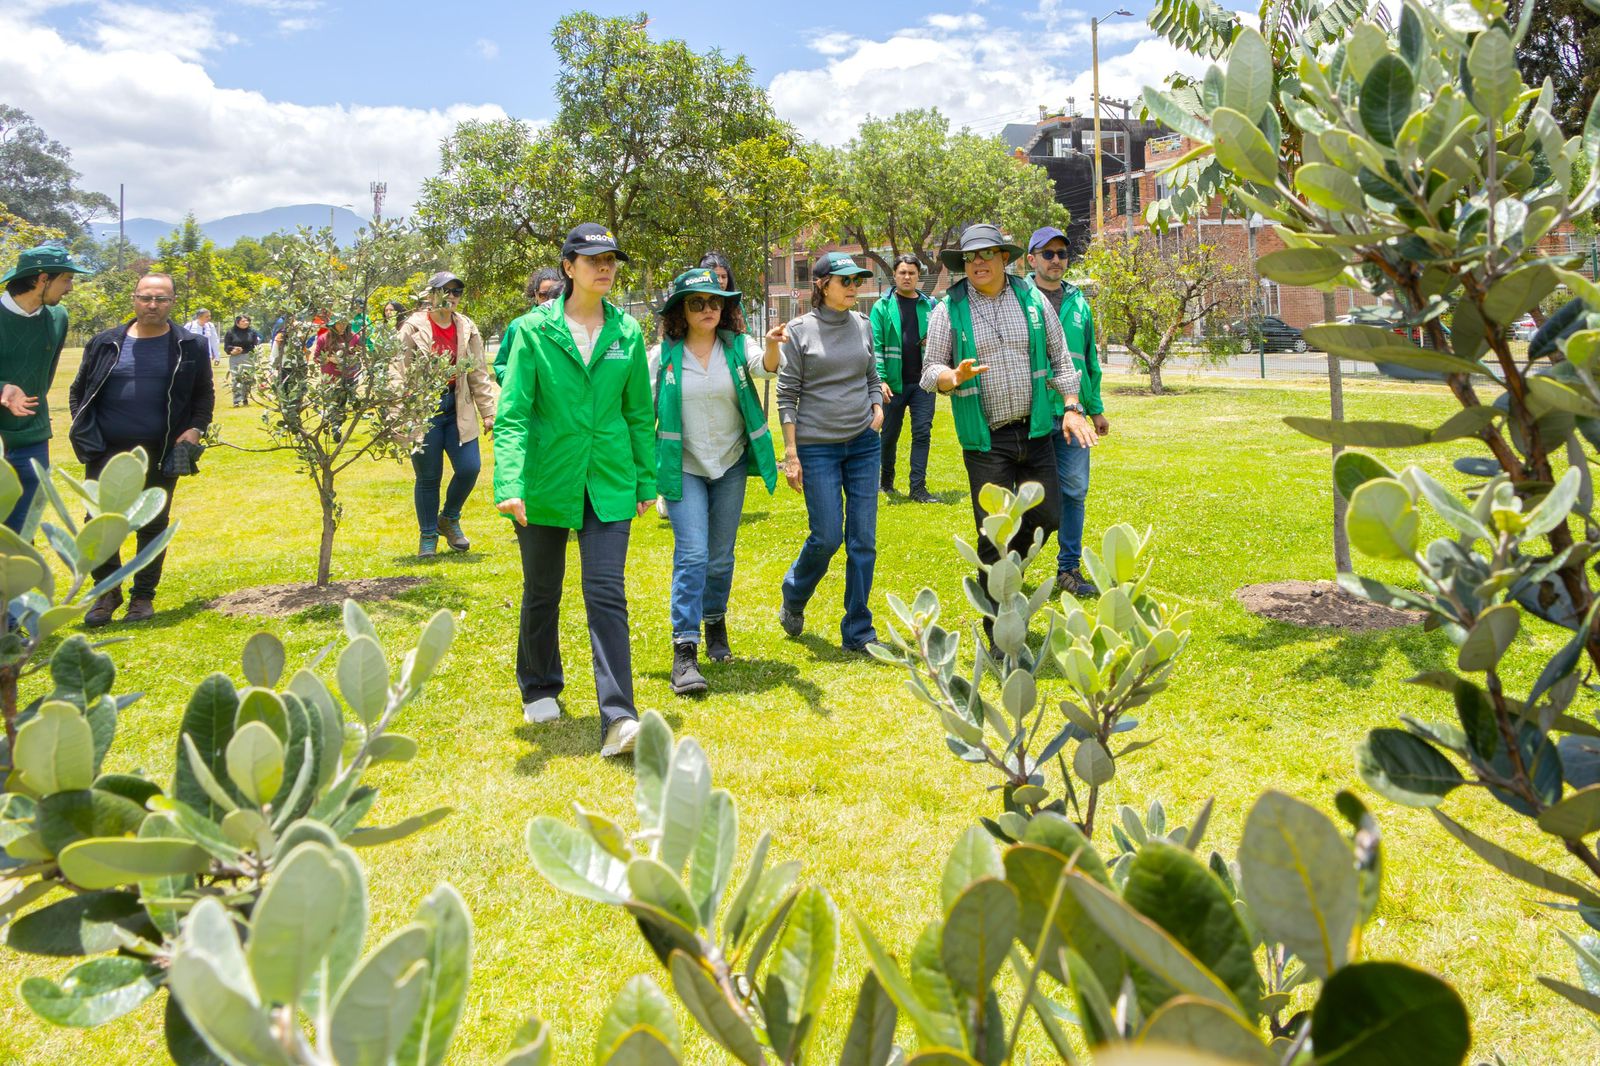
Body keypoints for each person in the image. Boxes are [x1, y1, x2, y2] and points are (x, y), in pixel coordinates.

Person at [495, 224, 655, 758]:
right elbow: (513, 414)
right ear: (568, 268)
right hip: (546, 478)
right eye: (592, 260)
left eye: (610, 259)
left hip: (608, 477)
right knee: (543, 588)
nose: (604, 267)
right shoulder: (530, 331)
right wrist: (509, 482)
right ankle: (540, 685)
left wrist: (646, 479)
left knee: (606, 591)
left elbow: (638, 413)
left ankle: (619, 718)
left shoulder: (629, 333)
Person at [920, 224, 1097, 611]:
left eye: (985, 254)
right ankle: (998, 627)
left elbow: (1061, 357)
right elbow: (930, 370)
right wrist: (952, 377)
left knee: (1049, 514)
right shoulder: (948, 309)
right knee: (992, 535)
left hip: (1034, 432)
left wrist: (1071, 405)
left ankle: (1007, 570)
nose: (977, 262)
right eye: (970, 257)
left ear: (1005, 258)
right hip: (986, 441)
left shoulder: (1031, 299)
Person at [649, 266, 783, 695]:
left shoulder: (737, 345)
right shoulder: (662, 356)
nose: (708, 309)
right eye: (697, 302)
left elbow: (763, 367)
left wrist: (773, 348)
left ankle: (715, 623)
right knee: (692, 555)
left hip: (730, 464)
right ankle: (684, 650)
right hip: (684, 466)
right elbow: (637, 406)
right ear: (680, 311)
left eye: (715, 301)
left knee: (721, 558)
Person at [70, 273, 214, 624]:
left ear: (173, 302)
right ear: (134, 299)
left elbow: (203, 394)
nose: (153, 305)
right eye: (146, 298)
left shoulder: (189, 345)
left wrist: (195, 429)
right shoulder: (105, 342)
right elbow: (79, 392)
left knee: (153, 522)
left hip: (163, 449)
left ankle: (142, 597)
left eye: (161, 299)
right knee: (100, 522)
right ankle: (106, 592)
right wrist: (86, 432)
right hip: (107, 451)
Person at [776, 252, 885, 654]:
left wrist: (877, 406)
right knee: (826, 536)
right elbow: (786, 395)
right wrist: (792, 453)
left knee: (863, 540)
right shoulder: (799, 331)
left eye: (857, 279)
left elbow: (872, 375)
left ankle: (858, 629)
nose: (854, 286)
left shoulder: (863, 324)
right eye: (845, 280)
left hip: (862, 444)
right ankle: (794, 593)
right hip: (817, 447)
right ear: (822, 284)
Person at [1027, 227, 1109, 596]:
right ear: (1031, 260)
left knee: (1075, 490)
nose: (1056, 260)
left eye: (1061, 253)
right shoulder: (1018, 299)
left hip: (1072, 414)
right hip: (1030, 414)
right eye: (1048, 254)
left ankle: (1068, 570)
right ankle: (1013, 565)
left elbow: (1089, 360)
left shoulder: (1079, 303)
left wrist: (1097, 409)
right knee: (1029, 494)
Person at [396, 273, 497, 557]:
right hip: (424, 407)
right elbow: (396, 369)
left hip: (457, 406)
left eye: (457, 292)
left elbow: (477, 371)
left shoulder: (466, 326)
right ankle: (428, 535)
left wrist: (488, 412)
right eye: (445, 291)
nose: (451, 296)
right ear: (431, 294)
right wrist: (398, 412)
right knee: (428, 476)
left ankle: (449, 518)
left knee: (469, 468)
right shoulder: (412, 326)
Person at [0, 245, 92, 533]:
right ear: (42, 279)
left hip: (34, 440)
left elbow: (45, 374)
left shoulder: (58, 318)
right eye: (66, 279)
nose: (71, 288)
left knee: (23, 535)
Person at [871, 254, 937, 503]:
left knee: (922, 433)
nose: (907, 277)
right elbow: (876, 346)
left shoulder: (930, 305)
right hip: (893, 385)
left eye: (912, 272)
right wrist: (881, 379)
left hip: (923, 383)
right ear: (895, 276)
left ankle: (918, 488)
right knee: (888, 435)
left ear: (919, 276)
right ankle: (886, 482)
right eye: (902, 272)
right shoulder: (882, 306)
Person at [495, 268, 563, 384]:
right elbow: (502, 365)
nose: (549, 300)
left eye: (555, 295)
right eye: (543, 295)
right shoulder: (518, 325)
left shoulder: (571, 325)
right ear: (536, 294)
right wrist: (515, 385)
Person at [223, 314, 261, 407]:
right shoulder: (230, 332)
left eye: (247, 321)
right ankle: (236, 400)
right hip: (236, 358)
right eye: (243, 321)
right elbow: (226, 347)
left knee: (248, 379)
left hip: (249, 357)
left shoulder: (252, 332)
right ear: (237, 322)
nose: (246, 322)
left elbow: (255, 345)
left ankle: (245, 398)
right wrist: (233, 349)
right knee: (236, 378)